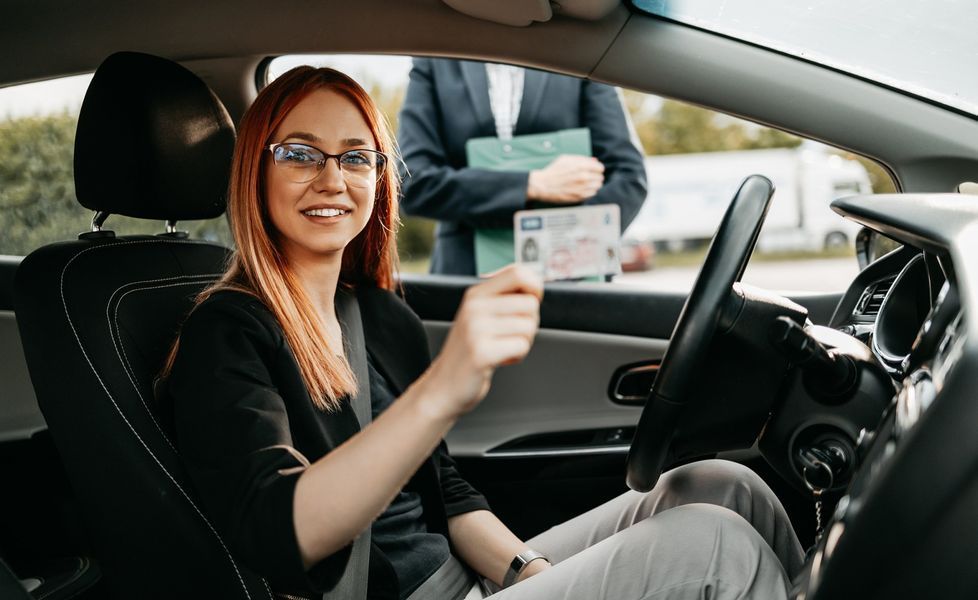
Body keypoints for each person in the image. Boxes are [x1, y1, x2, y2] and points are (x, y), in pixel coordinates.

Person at [157, 66, 802, 600]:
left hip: (466, 582)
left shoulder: (380, 317)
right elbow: (276, 530)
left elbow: (446, 494)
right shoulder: (227, 333)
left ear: (379, 179)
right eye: (299, 154)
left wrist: (524, 572)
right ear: (254, 169)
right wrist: (440, 391)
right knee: (714, 546)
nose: (332, 179)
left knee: (721, 485)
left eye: (356, 157)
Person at [398, 58, 648, 275]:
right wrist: (533, 184)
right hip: (465, 274)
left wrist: (566, 242)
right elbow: (413, 182)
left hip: (571, 272)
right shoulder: (435, 60)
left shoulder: (580, 56)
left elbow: (628, 176)